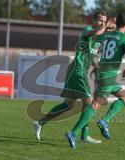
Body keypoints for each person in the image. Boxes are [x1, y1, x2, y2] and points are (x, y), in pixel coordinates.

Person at [32, 11, 112, 144]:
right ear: (93, 21)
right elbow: (94, 34)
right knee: (89, 103)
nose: (102, 23)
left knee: (68, 105)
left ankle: (40, 122)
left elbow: (90, 56)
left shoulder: (98, 40)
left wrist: (97, 67)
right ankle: (83, 135)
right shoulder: (88, 30)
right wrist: (106, 27)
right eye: (100, 21)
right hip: (77, 71)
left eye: (104, 21)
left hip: (77, 71)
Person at [65, 13, 125, 148]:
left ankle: (105, 121)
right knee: (94, 106)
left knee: (124, 97)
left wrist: (107, 27)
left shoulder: (107, 35)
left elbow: (94, 37)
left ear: (116, 23)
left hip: (103, 74)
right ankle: (73, 132)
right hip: (108, 76)